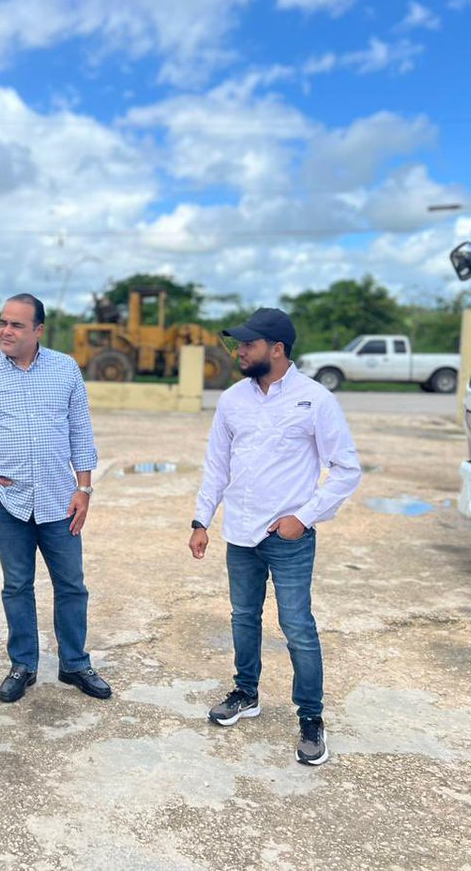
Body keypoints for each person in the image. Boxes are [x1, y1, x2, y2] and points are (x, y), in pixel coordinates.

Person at [189, 307, 361, 766]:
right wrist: (201, 520)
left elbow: (346, 469)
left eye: (247, 344)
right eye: (238, 344)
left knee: (297, 627)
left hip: (287, 537)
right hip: (240, 533)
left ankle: (311, 718)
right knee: (243, 616)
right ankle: (246, 693)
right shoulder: (232, 400)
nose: (239, 351)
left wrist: (303, 517)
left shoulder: (315, 399)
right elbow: (217, 466)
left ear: (277, 349)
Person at [0, 293, 111, 704]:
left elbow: (81, 434)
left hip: (60, 501)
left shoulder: (65, 369)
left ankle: (74, 663)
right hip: (7, 501)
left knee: (71, 586)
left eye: (17, 325)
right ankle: (23, 664)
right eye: (3, 322)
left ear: (38, 330)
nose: (6, 330)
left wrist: (84, 489)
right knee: (17, 585)